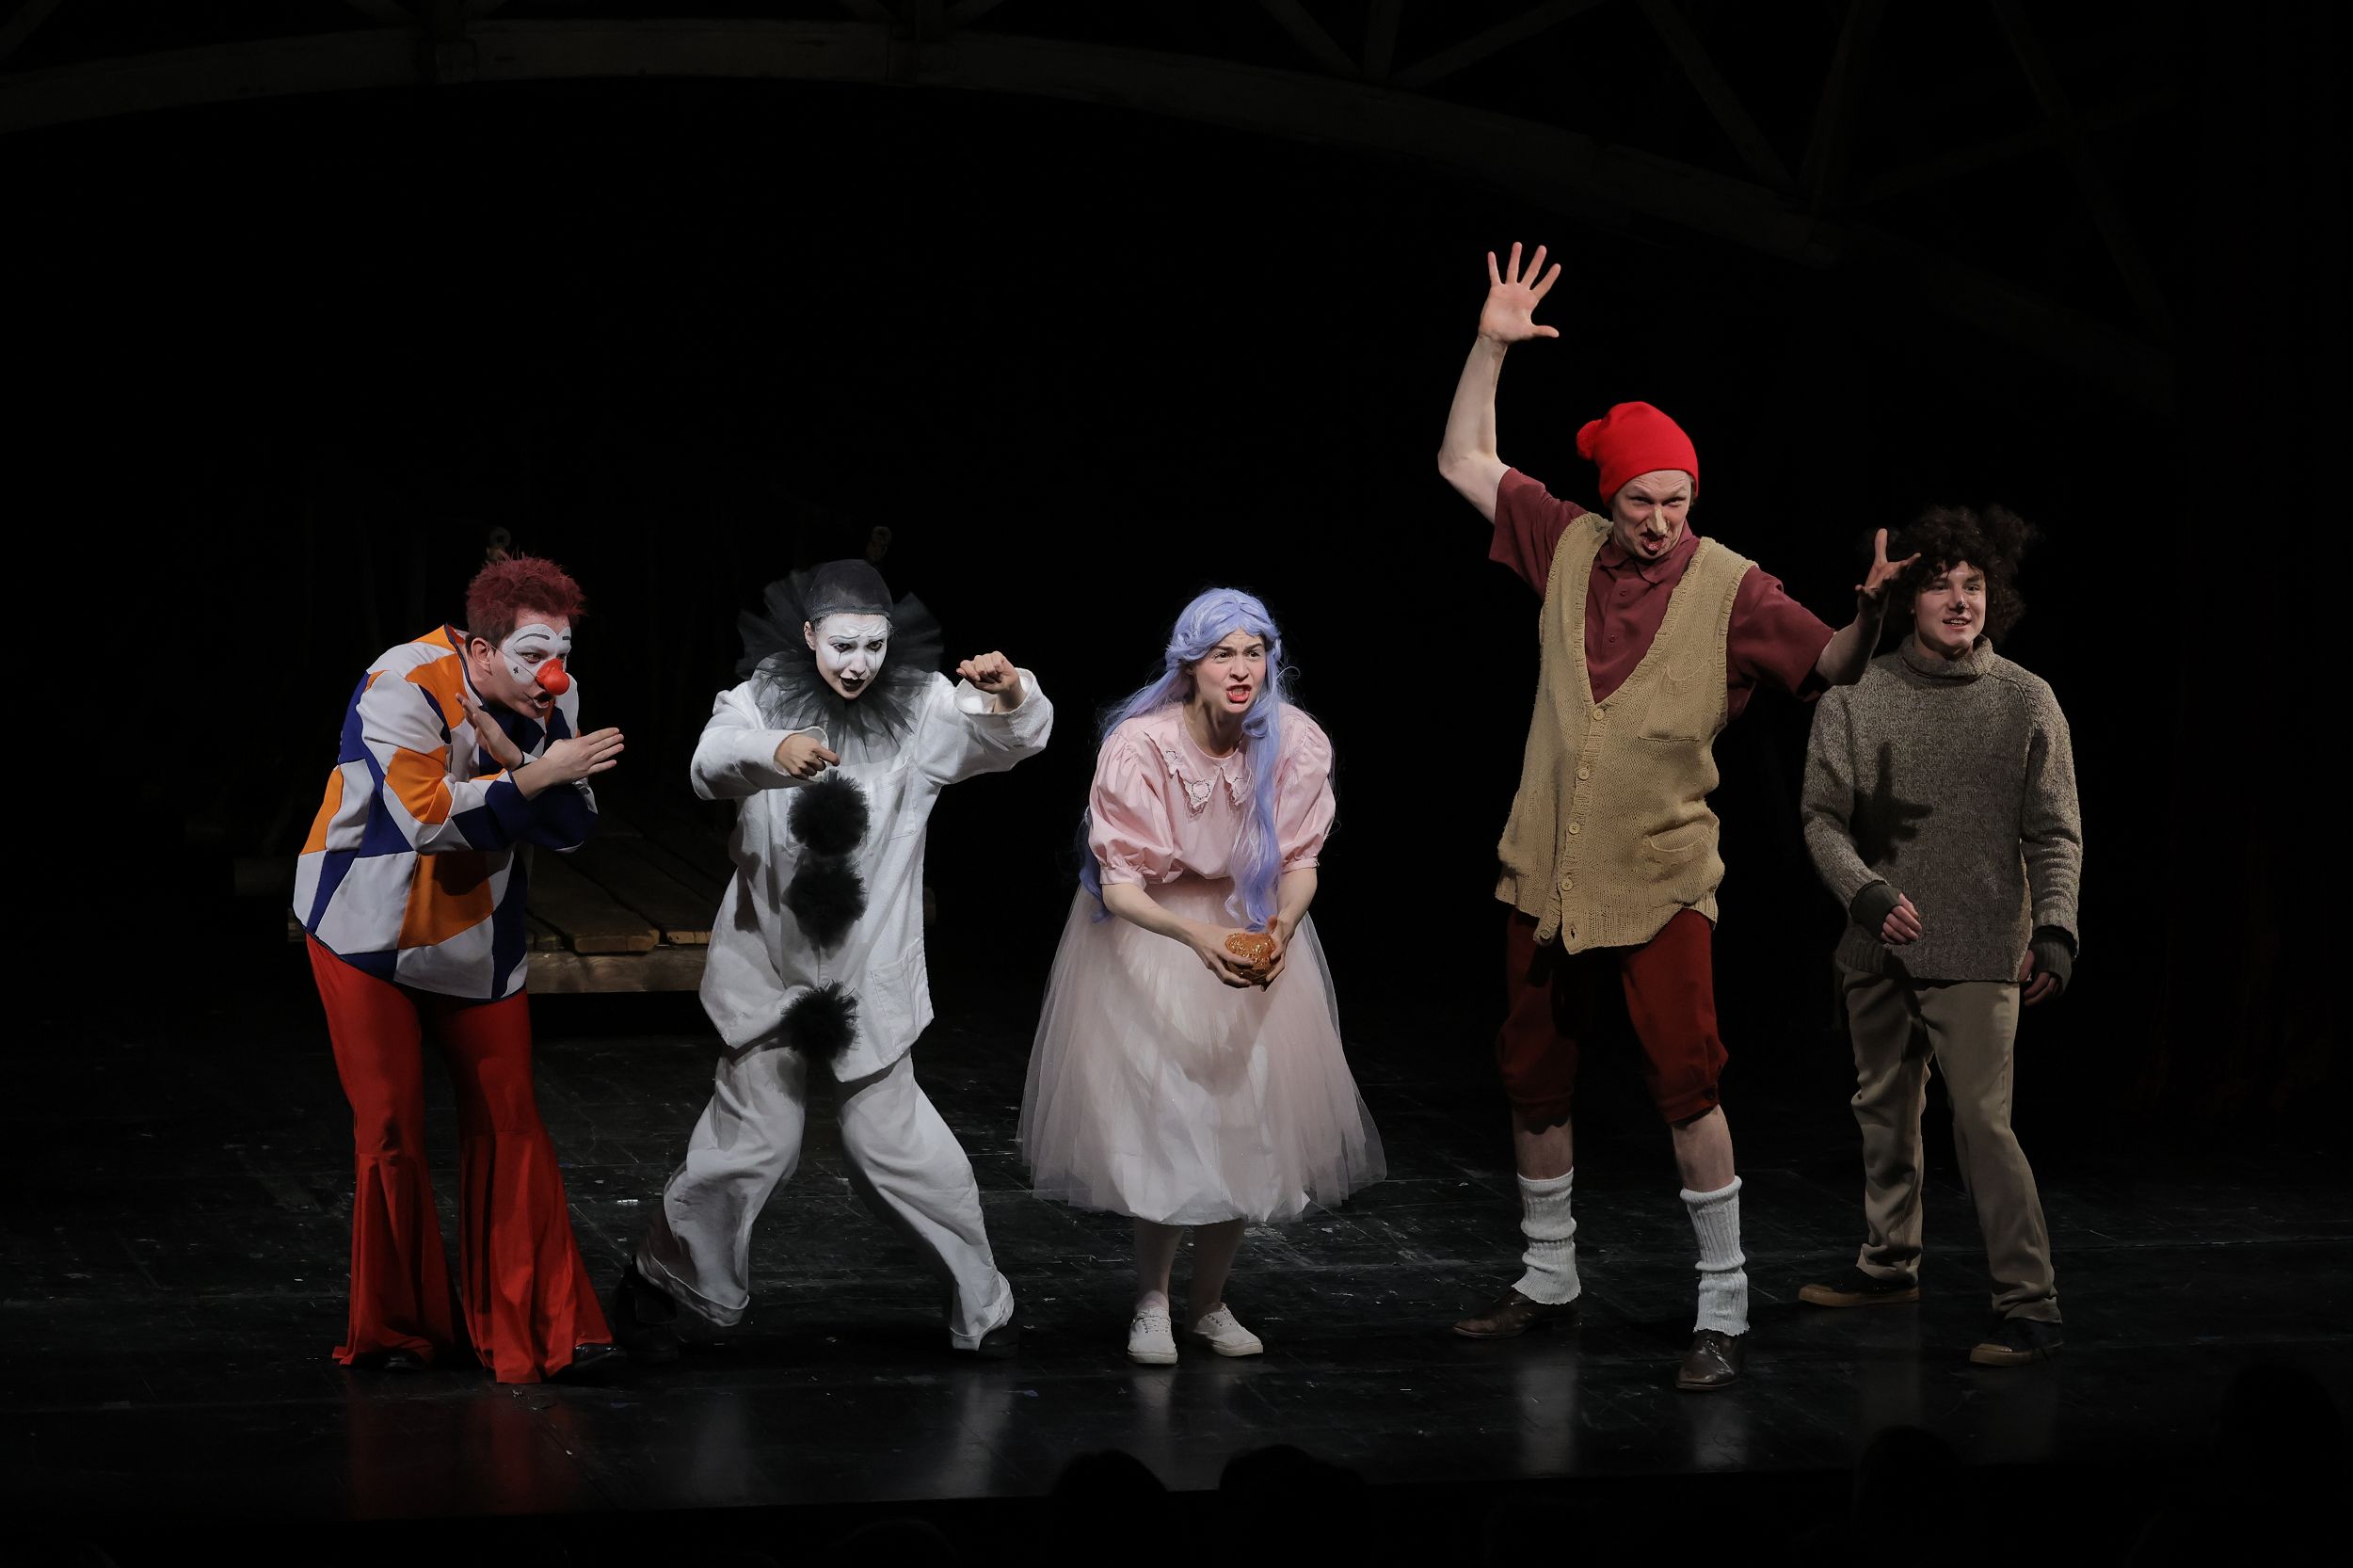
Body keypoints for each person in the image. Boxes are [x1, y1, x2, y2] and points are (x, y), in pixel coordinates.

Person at [1434, 243, 1911, 1390]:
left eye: (1676, 500)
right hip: (1544, 868)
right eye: (1640, 501)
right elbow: (1463, 458)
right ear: (1610, 499)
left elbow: (1832, 667)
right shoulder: (1564, 543)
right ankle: (1548, 1273)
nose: (1657, 520)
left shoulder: (1733, 587)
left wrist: (1869, 619)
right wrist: (1490, 344)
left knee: (1686, 1083)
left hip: (1658, 877)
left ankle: (1722, 1306)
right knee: (1532, 1076)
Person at [612, 559, 1051, 1359]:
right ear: (810, 634)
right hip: (768, 966)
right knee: (753, 1146)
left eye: (874, 647)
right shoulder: (758, 699)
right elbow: (710, 764)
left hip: (867, 971)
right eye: (843, 646)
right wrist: (774, 748)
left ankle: (984, 1305)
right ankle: (666, 1281)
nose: (858, 665)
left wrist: (1011, 690)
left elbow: (1011, 737)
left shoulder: (922, 707)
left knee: (899, 1150)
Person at [1020, 588, 1385, 1365]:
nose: (1242, 668)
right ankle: (1152, 1301)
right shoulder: (1141, 746)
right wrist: (1197, 937)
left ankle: (1210, 1302)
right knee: (1169, 1120)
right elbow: (1120, 887)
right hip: (1157, 936)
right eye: (1224, 654)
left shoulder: (1295, 741)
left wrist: (1280, 928)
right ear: (1191, 666)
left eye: (1255, 652)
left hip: (1251, 924)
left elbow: (1301, 862)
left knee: (1245, 1121)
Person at [294, 553, 625, 1382]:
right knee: (390, 1126)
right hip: (365, 926)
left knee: (511, 1116)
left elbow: (572, 829)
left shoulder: (553, 696)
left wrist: (526, 759)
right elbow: (426, 820)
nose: (553, 673)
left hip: (476, 930)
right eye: (532, 655)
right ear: (481, 650)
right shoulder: (400, 683)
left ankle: (545, 1325)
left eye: (563, 654)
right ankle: (399, 1328)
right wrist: (536, 775)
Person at [1798, 504, 2081, 1367]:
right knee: (1885, 1115)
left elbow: (2055, 831)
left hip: (1981, 947)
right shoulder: (1856, 693)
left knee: (1983, 1128)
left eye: (1974, 585)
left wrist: (2057, 926)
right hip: (1878, 945)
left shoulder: (2025, 699)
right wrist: (1865, 892)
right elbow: (1820, 818)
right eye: (1940, 586)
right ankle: (1888, 1264)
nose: (1961, 601)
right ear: (1906, 601)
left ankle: (2030, 1303)